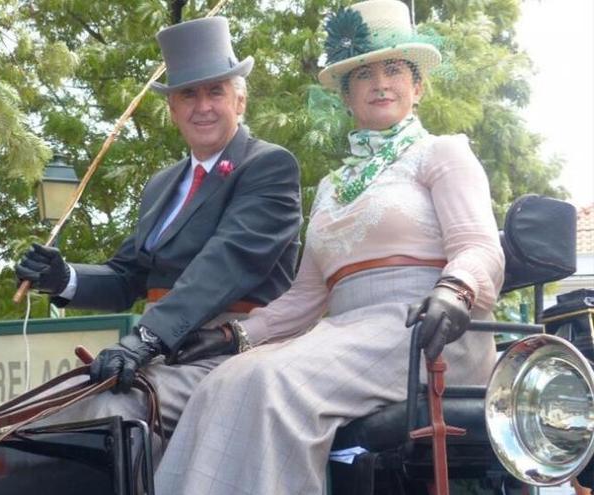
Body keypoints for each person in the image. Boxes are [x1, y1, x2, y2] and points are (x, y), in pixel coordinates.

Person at [155, 1, 505, 493]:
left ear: (417, 86)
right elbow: (302, 301)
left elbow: (480, 247)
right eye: (363, 74)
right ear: (346, 95)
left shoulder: (443, 152)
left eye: (394, 69)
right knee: (224, 379)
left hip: (425, 330)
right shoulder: (331, 187)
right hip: (343, 334)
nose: (380, 83)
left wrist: (455, 289)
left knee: (271, 383)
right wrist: (235, 336)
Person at [15, 17, 301, 445]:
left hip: (229, 347)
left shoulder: (268, 166)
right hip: (163, 351)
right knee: (41, 407)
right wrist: (64, 278)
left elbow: (225, 264)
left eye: (215, 91)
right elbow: (129, 275)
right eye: (188, 94)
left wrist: (144, 339)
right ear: (172, 109)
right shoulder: (162, 185)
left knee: (109, 411)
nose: (201, 106)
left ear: (239, 101)